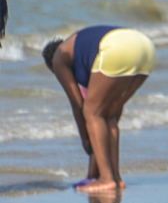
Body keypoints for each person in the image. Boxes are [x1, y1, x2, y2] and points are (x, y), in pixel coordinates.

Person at [41, 26, 156, 193]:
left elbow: (78, 104)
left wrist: (86, 142)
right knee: (108, 114)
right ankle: (115, 178)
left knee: (92, 112)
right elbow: (110, 114)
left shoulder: (59, 57)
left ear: (51, 65)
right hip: (145, 47)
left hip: (116, 48)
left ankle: (106, 179)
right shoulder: (85, 56)